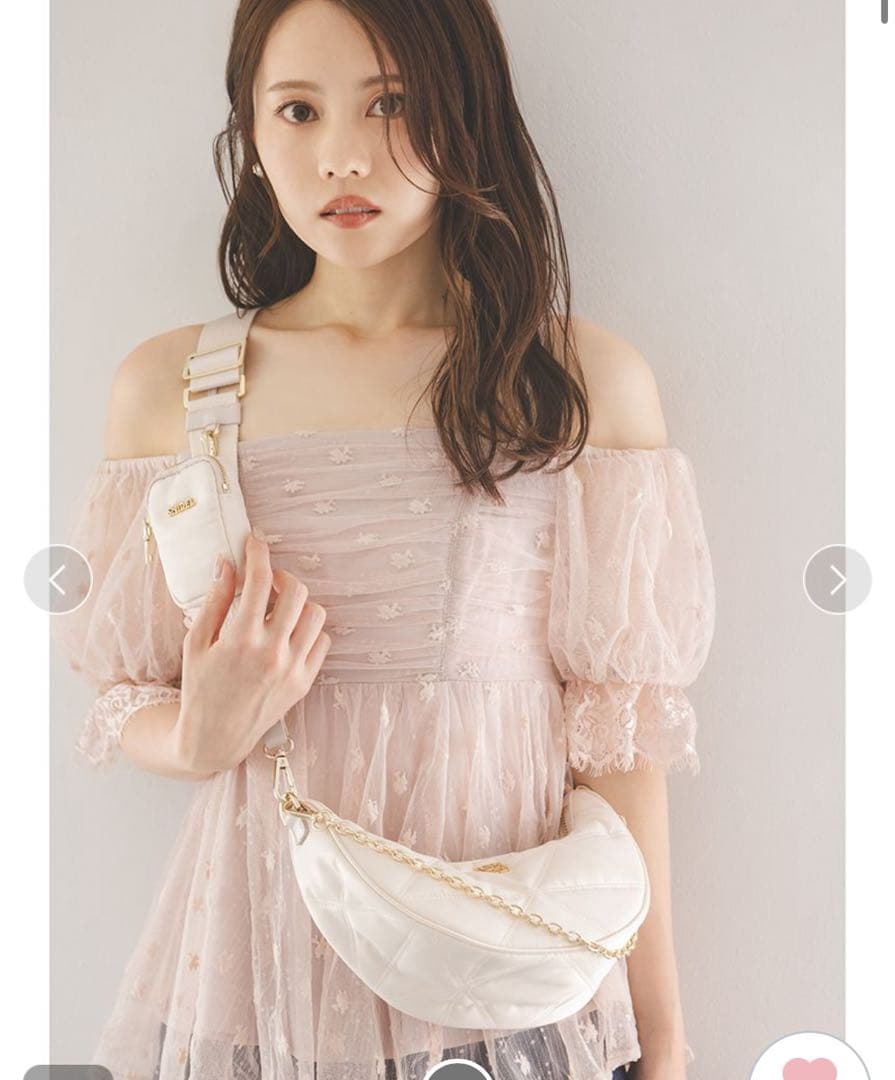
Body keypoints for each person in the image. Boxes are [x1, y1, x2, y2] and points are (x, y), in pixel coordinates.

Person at [51, 1, 716, 1078]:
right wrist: (199, 736)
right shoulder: (173, 386)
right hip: (258, 959)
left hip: (500, 958)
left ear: (466, 116)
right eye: (297, 111)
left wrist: (665, 1042)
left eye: (391, 104)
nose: (343, 156)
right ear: (250, 135)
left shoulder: (573, 381)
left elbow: (620, 739)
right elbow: (122, 688)